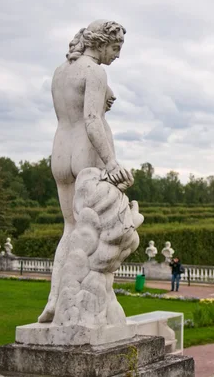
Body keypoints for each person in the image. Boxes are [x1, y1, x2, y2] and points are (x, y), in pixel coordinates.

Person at [39, 20, 133, 323]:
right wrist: (112, 163)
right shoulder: (95, 71)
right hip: (85, 149)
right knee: (100, 229)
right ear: (101, 43)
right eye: (115, 48)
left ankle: (55, 300)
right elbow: (92, 119)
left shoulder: (60, 71)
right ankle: (92, 300)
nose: (117, 55)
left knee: (70, 228)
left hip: (60, 149)